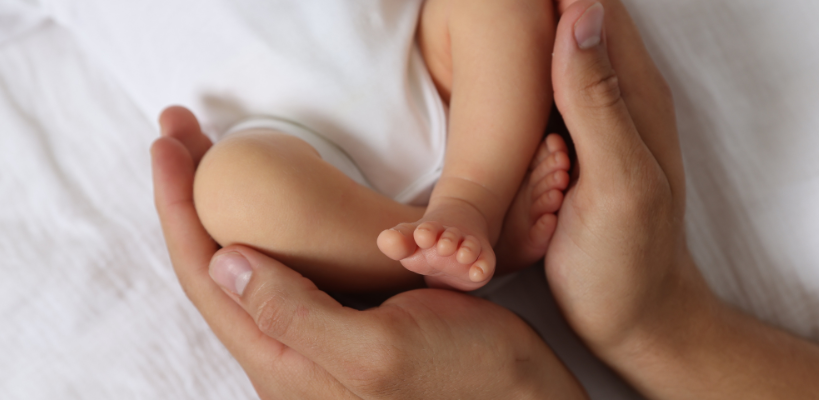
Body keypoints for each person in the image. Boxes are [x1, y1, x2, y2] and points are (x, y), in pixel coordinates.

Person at [152, 0, 819, 397]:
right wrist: (659, 322)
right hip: (281, 133)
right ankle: (435, 234)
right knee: (233, 189)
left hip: (414, 49)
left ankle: (471, 199)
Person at [191, 0, 569, 292]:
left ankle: (476, 200)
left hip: (422, 60)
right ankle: (438, 249)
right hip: (285, 141)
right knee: (229, 190)